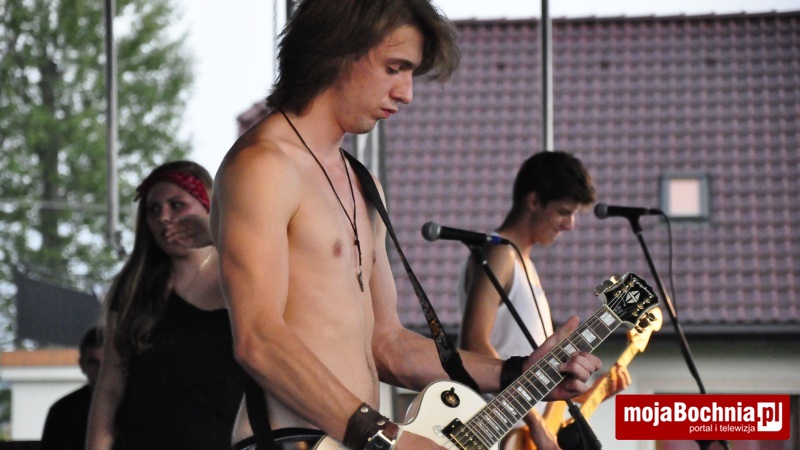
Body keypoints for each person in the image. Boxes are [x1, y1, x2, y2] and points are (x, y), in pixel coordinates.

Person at [212, 2, 603, 450]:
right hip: (288, 440)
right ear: (336, 51)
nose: (407, 93)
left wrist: (516, 372)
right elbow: (259, 339)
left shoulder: (363, 183)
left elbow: (388, 345)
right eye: (394, 68)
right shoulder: (264, 166)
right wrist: (387, 438)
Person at [457, 151, 631, 450]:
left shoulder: (525, 263)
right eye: (564, 211)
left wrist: (591, 393)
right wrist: (534, 422)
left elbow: (532, 373)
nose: (570, 224)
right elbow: (473, 343)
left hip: (519, 430)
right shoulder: (500, 254)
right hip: (494, 432)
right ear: (534, 202)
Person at [86, 160, 246, 450]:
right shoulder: (135, 287)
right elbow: (109, 388)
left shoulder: (240, 275)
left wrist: (216, 232)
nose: (164, 217)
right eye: (153, 209)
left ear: (208, 206)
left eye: (177, 205)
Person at [39, 326, 102, 450]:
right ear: (82, 365)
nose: (101, 370)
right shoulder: (62, 413)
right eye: (94, 363)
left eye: (106, 363)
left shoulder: (135, 409)